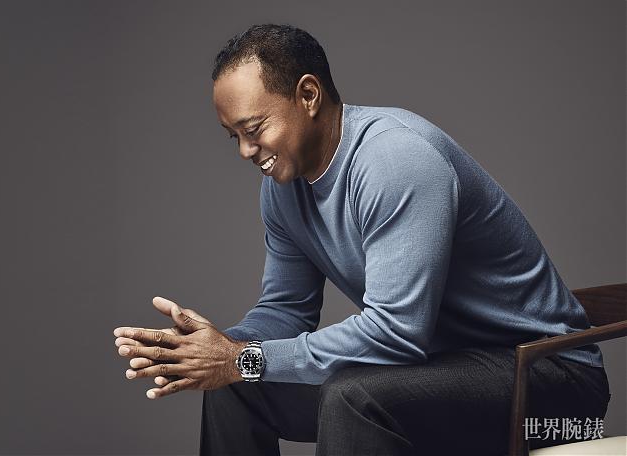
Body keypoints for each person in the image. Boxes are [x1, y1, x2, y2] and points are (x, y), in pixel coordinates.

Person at [113, 24, 611, 455]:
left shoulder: (395, 159)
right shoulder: (283, 190)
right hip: (436, 368)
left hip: (549, 382)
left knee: (352, 395)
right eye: (234, 137)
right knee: (236, 387)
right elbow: (285, 311)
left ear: (309, 95)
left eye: (255, 128)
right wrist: (217, 348)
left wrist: (240, 359)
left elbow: (396, 334)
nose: (246, 151)